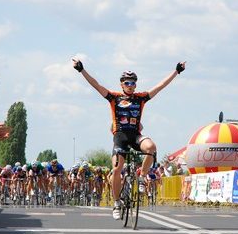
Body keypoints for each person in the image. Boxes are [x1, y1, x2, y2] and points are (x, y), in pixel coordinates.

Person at [72, 57, 185, 220]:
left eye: (133, 83)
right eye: (127, 83)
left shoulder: (141, 98)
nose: (130, 86)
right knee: (117, 169)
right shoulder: (114, 97)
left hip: (135, 135)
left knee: (151, 147)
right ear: (122, 84)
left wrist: (176, 71)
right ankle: (117, 203)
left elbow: (160, 87)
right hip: (120, 137)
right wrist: (82, 70)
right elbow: (96, 85)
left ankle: (141, 176)